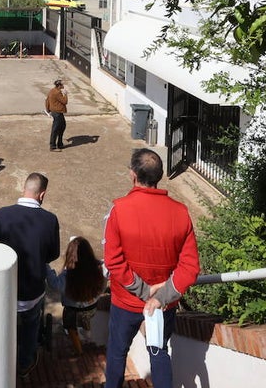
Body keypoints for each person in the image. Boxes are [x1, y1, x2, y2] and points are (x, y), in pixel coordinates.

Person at [103, 149, 200, 388]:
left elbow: (113, 261)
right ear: (160, 176)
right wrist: (160, 297)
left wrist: (145, 292)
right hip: (163, 304)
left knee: (116, 353)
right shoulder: (180, 212)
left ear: (132, 175)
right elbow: (190, 267)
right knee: (158, 352)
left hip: (126, 300)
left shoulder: (120, 209)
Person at [0, 173, 60, 378]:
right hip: (33, 292)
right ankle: (25, 364)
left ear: (24, 189)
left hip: (4, 289)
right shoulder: (50, 220)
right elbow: (53, 254)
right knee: (31, 326)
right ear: (42, 195)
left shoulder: (2, 214)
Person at [46, 236, 106, 357]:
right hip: (91, 307)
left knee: (71, 328)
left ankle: (79, 350)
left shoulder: (67, 276)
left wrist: (46, 266)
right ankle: (88, 338)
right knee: (87, 324)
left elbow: (54, 284)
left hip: (72, 311)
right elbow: (105, 279)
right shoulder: (99, 268)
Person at [45, 79, 68, 151]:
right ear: (59, 86)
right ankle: (53, 146)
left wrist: (48, 109)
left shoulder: (52, 90)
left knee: (62, 126)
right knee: (55, 129)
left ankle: (60, 143)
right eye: (62, 85)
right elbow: (65, 101)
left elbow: (47, 100)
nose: (63, 86)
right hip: (57, 112)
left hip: (55, 112)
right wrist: (65, 94)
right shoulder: (58, 93)